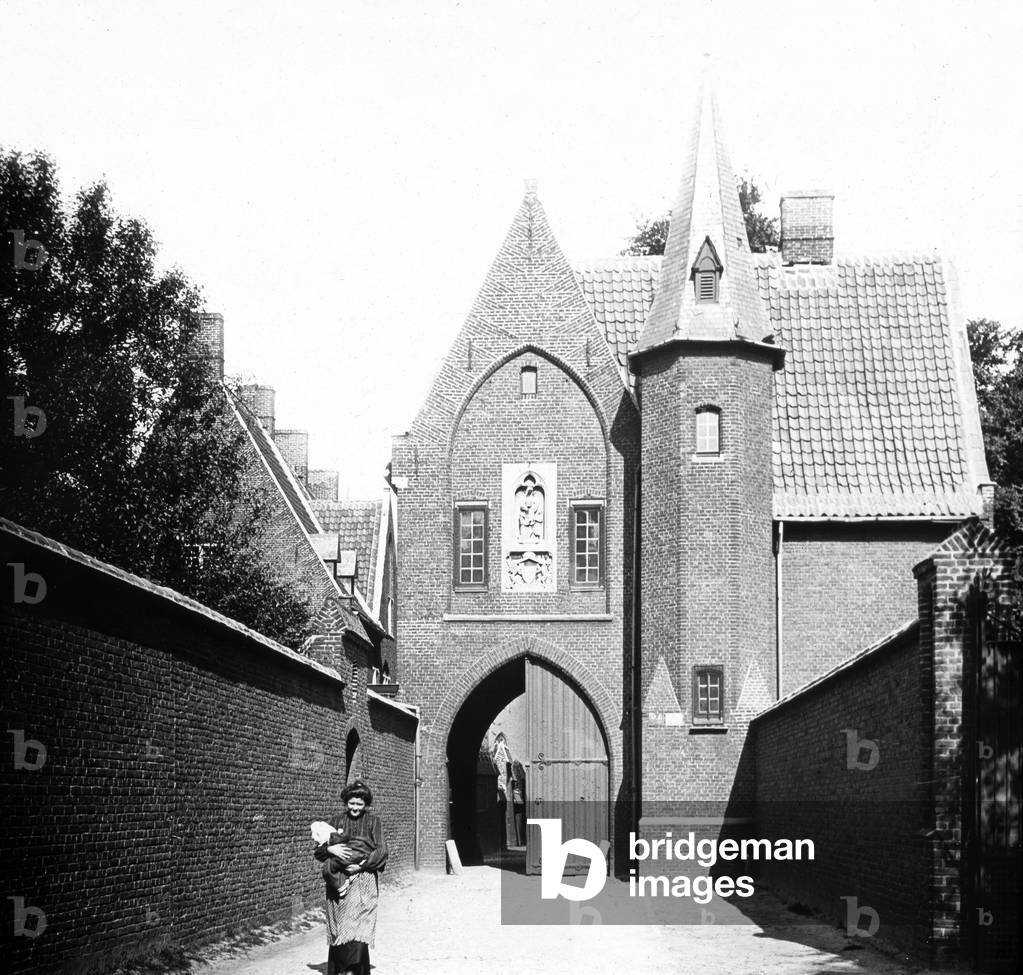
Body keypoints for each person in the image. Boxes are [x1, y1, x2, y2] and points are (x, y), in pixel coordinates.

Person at [313, 780, 388, 975]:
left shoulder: (373, 822)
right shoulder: (335, 821)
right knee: (339, 926)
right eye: (351, 803)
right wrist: (330, 849)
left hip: (363, 880)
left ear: (366, 804)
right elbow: (318, 851)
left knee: (358, 924)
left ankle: (354, 971)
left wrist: (362, 865)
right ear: (346, 802)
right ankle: (339, 969)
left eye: (359, 804)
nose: (355, 808)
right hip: (338, 881)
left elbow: (381, 851)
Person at [309, 819, 378, 897]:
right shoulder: (334, 826)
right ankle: (342, 883)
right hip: (351, 862)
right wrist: (329, 849)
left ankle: (341, 885)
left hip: (362, 874)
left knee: (328, 867)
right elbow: (318, 853)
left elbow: (380, 853)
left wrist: (361, 867)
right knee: (330, 866)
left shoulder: (370, 827)